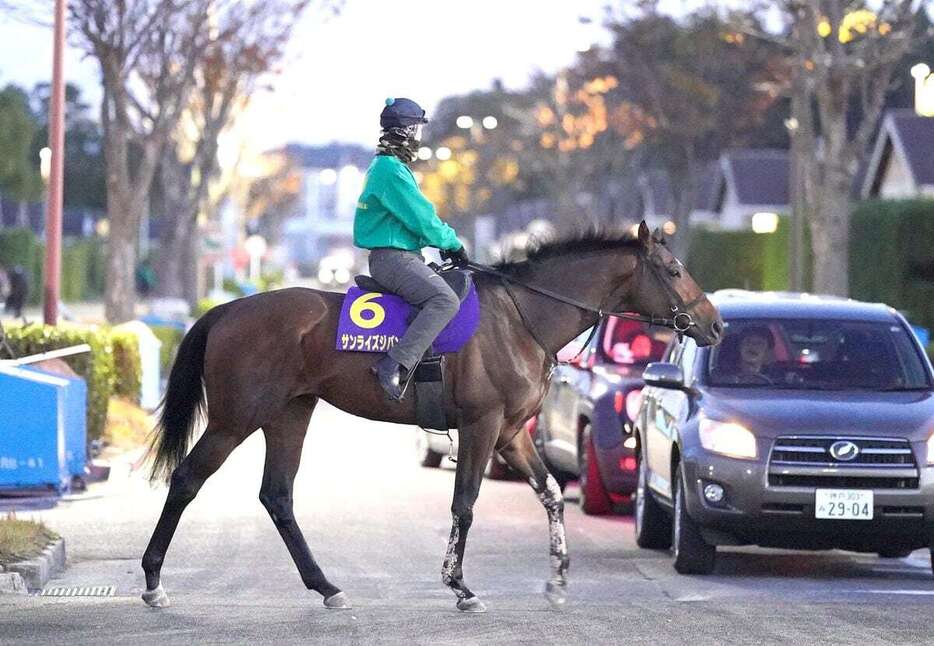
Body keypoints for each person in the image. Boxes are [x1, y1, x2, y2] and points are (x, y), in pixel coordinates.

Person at [354, 97, 469, 401]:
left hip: (403, 256)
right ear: (406, 131)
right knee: (445, 300)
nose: (420, 135)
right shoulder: (390, 170)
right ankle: (393, 364)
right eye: (417, 128)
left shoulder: (388, 167)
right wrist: (452, 244)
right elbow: (422, 218)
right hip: (394, 260)